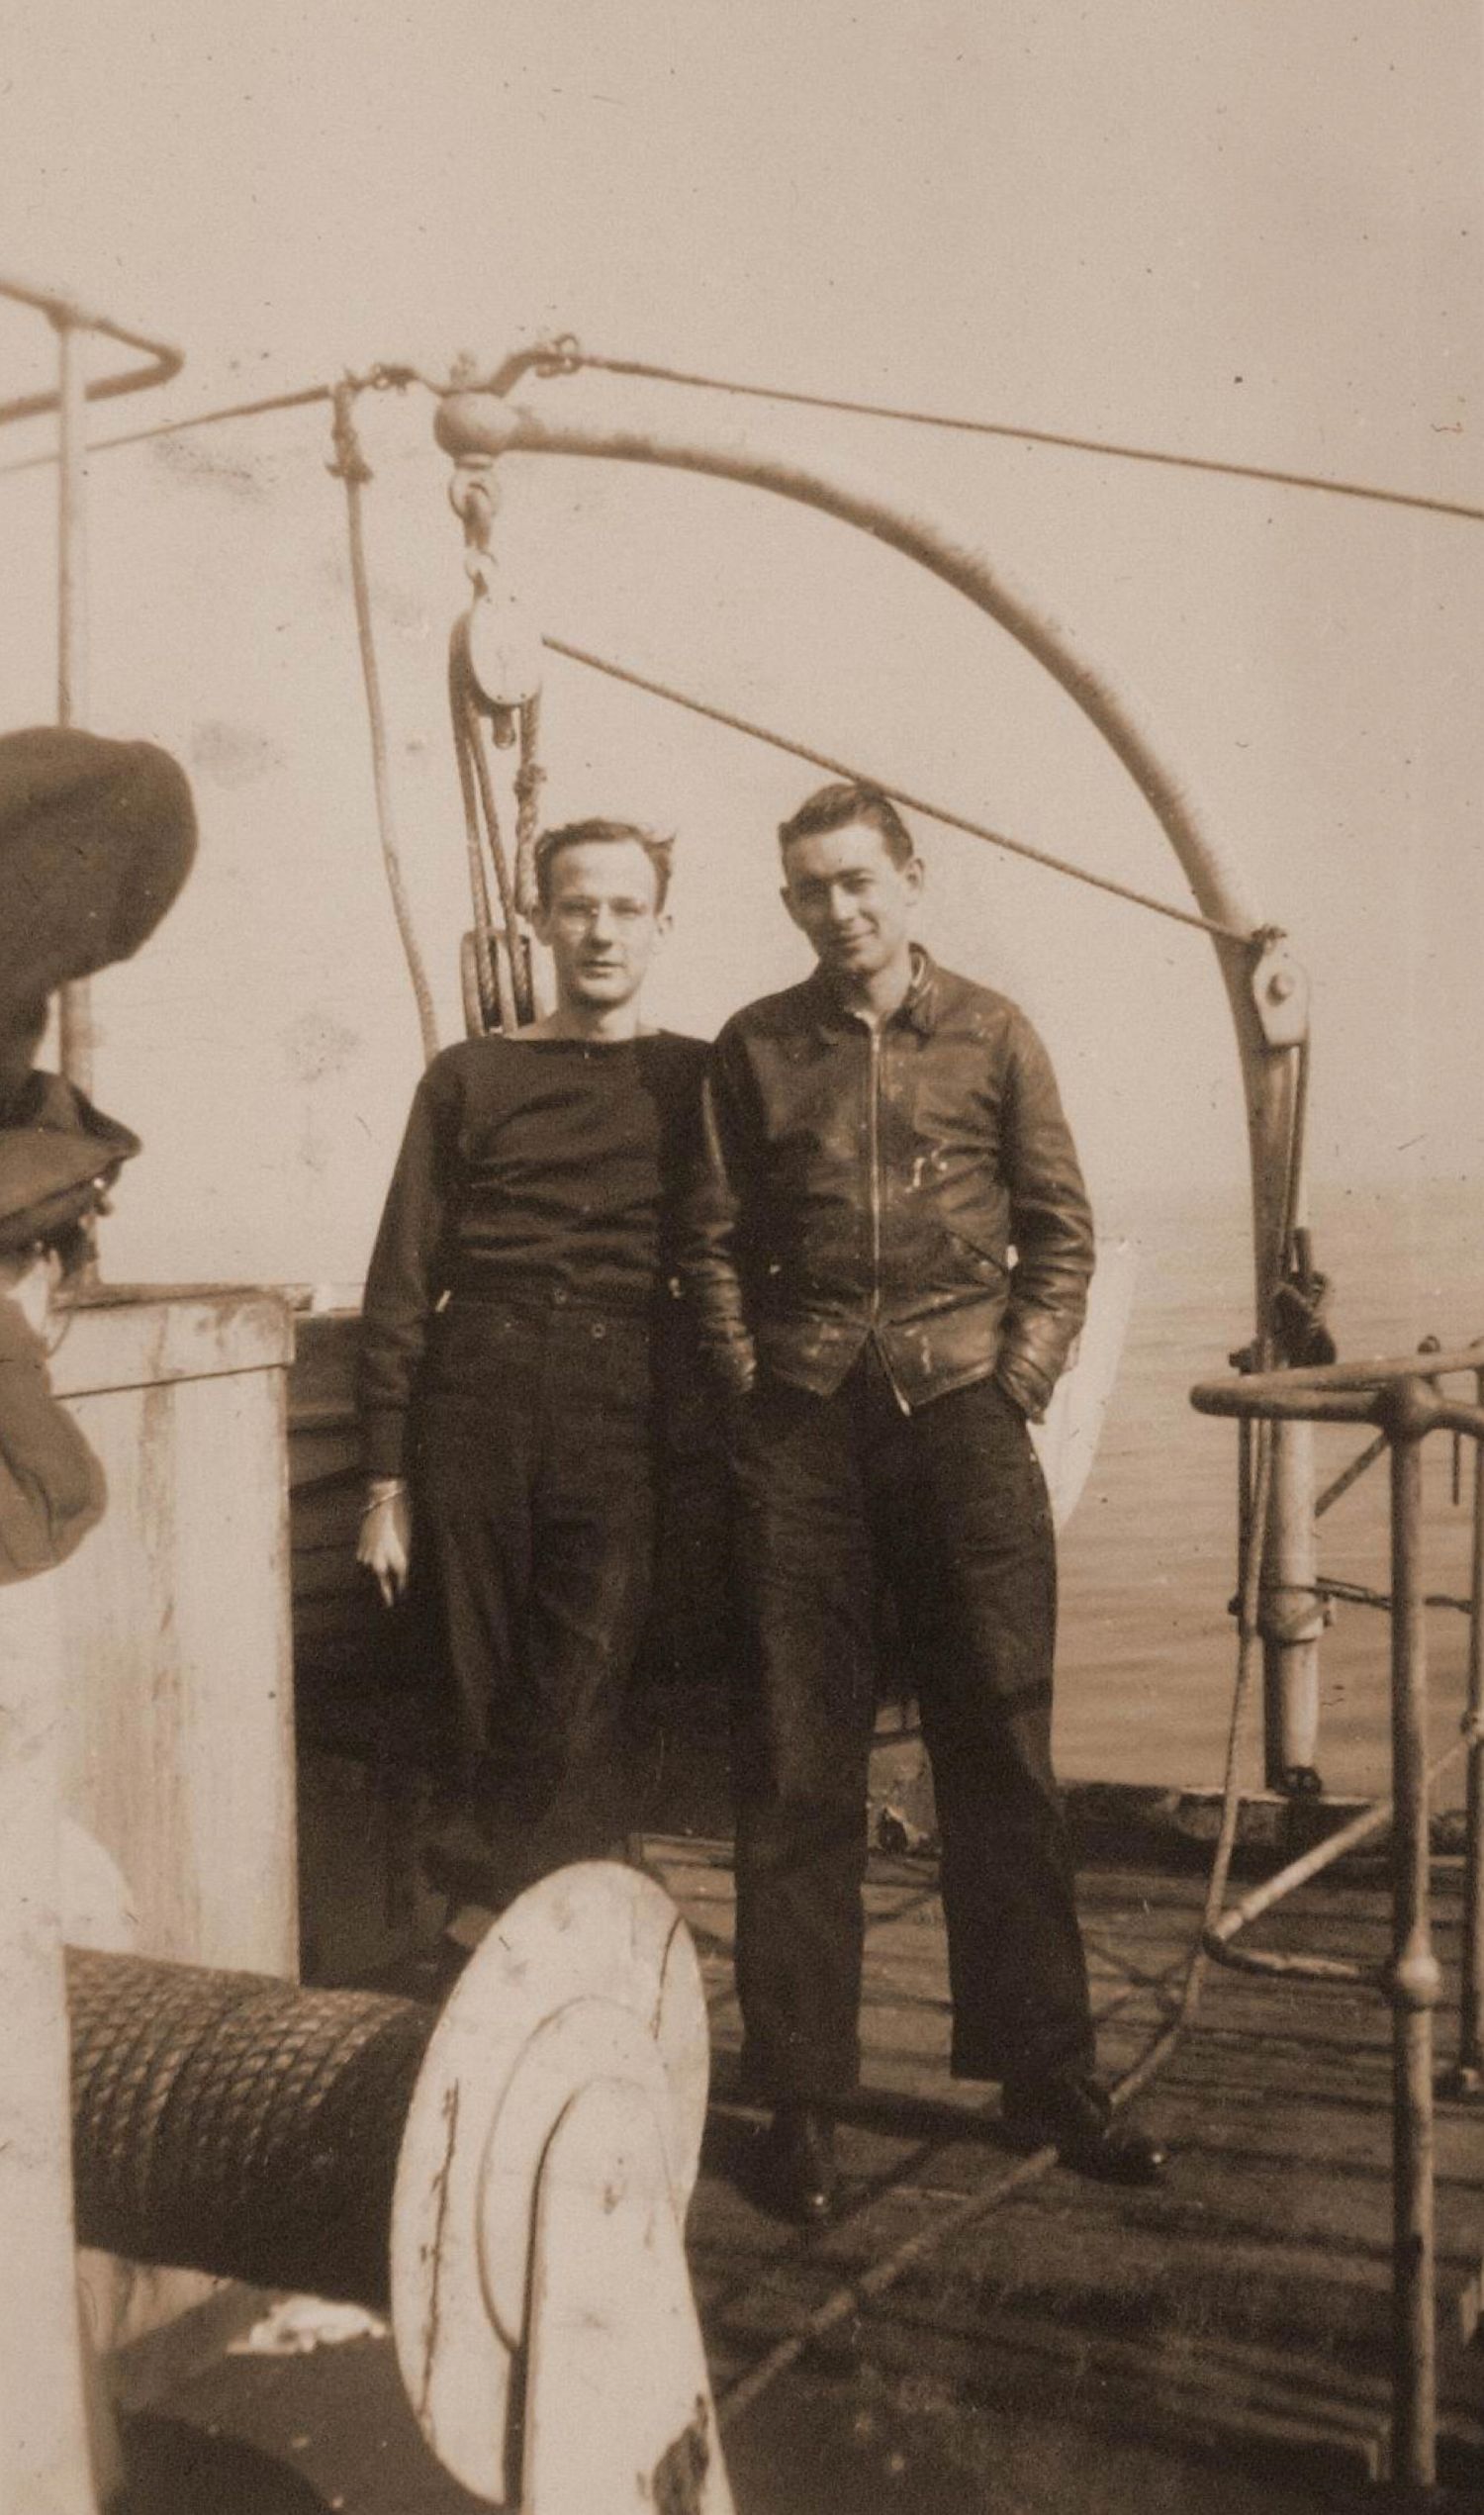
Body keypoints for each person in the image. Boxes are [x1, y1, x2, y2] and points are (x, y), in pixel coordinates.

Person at [682, 780, 1166, 2220]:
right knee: (797, 1758)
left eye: (859, 882)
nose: (838, 911)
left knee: (1003, 1742)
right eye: (811, 890)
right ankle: (803, 2100)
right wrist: (754, 1386)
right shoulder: (755, 1048)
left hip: (964, 1420)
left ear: (912, 879)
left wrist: (1017, 1380)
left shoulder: (995, 1033)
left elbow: (1061, 1233)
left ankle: (1045, 2071)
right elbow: (708, 1244)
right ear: (789, 904)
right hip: (804, 1432)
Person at [356, 818, 706, 1922]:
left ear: (661, 925)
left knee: (582, 1676)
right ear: (540, 920)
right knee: (475, 1677)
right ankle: (518, 1930)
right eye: (578, 907)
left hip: (626, 1392)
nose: (601, 931)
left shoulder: (698, 1078)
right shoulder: (470, 1077)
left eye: (626, 909)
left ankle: (511, 1910)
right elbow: (401, 1278)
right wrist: (382, 1484)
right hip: (478, 1388)